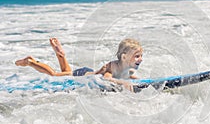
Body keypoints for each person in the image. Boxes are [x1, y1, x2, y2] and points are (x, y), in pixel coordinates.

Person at [15, 38, 143, 90]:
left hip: (88, 72)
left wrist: (141, 81)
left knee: (66, 72)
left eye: (141, 56)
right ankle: (30, 61)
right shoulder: (113, 66)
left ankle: (61, 55)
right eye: (137, 56)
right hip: (82, 74)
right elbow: (106, 78)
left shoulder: (127, 69)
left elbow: (127, 76)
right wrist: (123, 83)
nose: (140, 59)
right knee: (54, 75)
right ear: (124, 57)